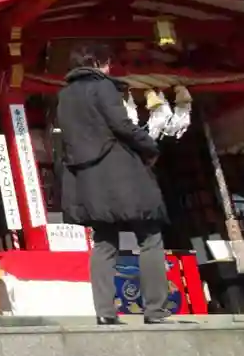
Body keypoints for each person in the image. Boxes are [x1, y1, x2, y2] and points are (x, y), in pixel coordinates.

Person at [55, 44, 171, 324]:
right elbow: (121, 125)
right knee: (150, 236)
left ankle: (105, 312)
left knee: (105, 241)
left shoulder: (64, 96)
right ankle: (155, 310)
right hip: (121, 173)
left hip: (89, 179)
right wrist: (149, 146)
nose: (109, 68)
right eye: (107, 62)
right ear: (97, 62)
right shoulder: (103, 86)